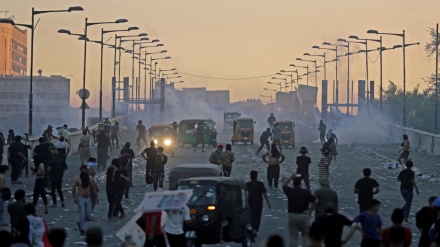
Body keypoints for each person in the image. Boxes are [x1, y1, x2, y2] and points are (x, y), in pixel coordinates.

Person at [282, 174, 317, 247]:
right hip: (304, 216)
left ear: (293, 183)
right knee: (307, 237)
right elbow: (316, 201)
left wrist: (290, 177)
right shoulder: (305, 192)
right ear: (301, 183)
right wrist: (310, 210)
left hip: (292, 216)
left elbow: (284, 185)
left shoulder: (290, 191)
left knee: (293, 239)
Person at [72, 165, 98, 236]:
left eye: (84, 170)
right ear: (80, 170)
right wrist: (74, 197)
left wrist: (96, 196)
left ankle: (80, 222)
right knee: (82, 214)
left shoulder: (90, 178)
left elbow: (93, 187)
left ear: (86, 170)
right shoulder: (77, 179)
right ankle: (82, 229)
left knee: (88, 215)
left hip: (88, 198)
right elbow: (73, 188)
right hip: (81, 198)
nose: (83, 171)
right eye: (82, 170)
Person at [246, 170, 271, 237]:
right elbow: (264, 193)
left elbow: (245, 194)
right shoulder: (260, 184)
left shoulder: (248, 184)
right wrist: (268, 202)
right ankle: (255, 229)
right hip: (258, 202)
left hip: (250, 202)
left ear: (250, 176)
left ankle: (251, 228)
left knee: (251, 216)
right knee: (257, 217)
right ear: (256, 176)